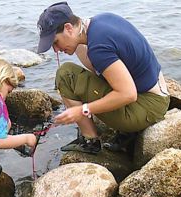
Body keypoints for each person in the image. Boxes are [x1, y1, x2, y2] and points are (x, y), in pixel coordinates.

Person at [36, 2, 170, 153]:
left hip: (147, 106)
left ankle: (90, 141)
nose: (56, 49)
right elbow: (96, 66)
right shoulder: (101, 21)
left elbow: (128, 94)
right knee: (70, 71)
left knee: (66, 75)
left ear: (68, 28)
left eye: (55, 42)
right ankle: (123, 134)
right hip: (156, 92)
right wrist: (72, 45)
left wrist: (82, 110)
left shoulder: (98, 48)